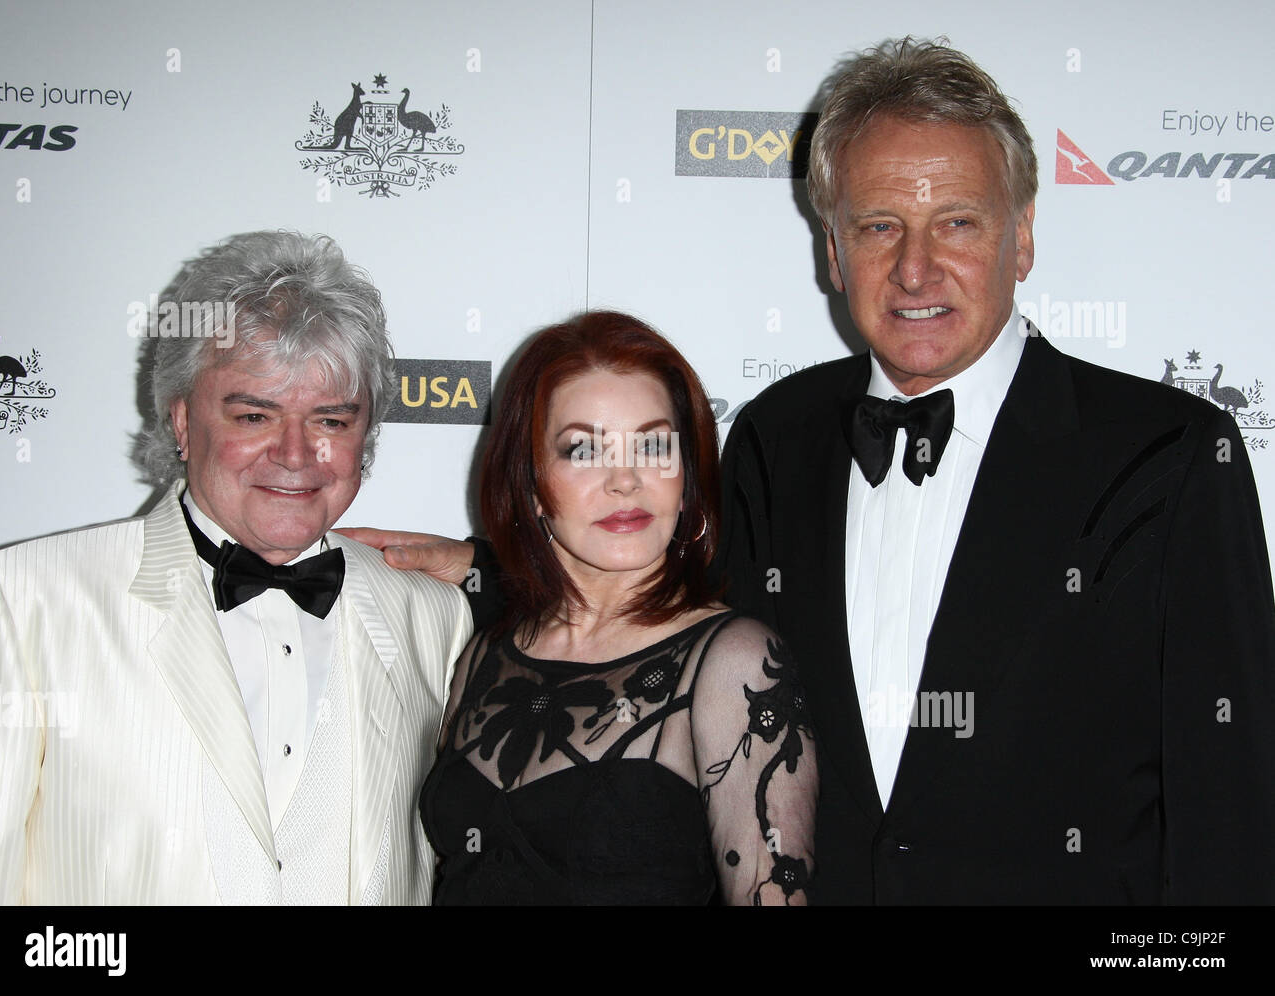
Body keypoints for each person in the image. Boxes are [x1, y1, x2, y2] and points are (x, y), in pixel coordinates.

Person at [354, 38, 1275, 904]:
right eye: (879, 225)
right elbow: (668, 614)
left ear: (1022, 236)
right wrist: (490, 567)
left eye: (957, 221)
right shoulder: (778, 434)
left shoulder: (1170, 452)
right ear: (832, 249)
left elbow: (1228, 791)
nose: (916, 269)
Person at [0, 231, 472, 905]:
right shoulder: (26, 600)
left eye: (330, 419)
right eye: (254, 414)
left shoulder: (433, 616)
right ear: (181, 422)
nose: (295, 454)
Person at [416, 310, 816, 905]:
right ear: (531, 485)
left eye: (653, 445)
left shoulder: (733, 661)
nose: (625, 480)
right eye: (583, 450)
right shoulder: (485, 653)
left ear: (687, 475)